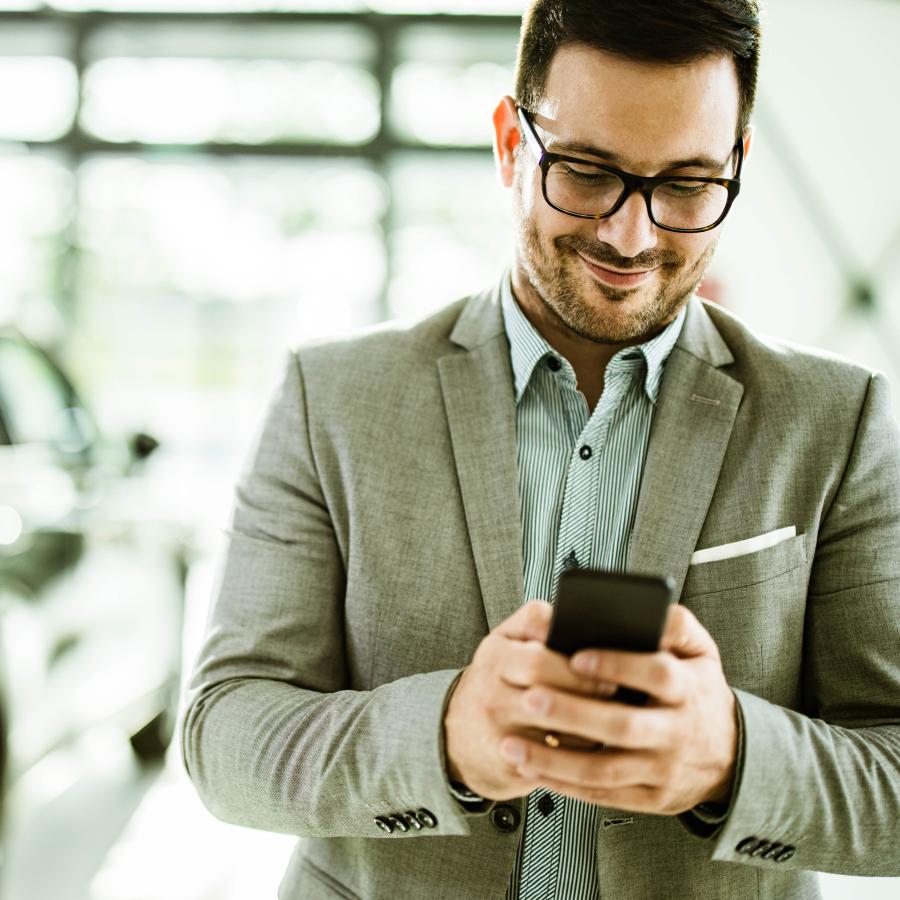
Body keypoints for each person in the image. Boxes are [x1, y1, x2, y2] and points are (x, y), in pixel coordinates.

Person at [179, 2, 900, 898]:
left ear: (739, 163)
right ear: (510, 142)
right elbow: (225, 735)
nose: (630, 237)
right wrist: (445, 737)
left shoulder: (840, 419)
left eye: (685, 184)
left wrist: (734, 758)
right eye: (588, 173)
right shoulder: (331, 399)